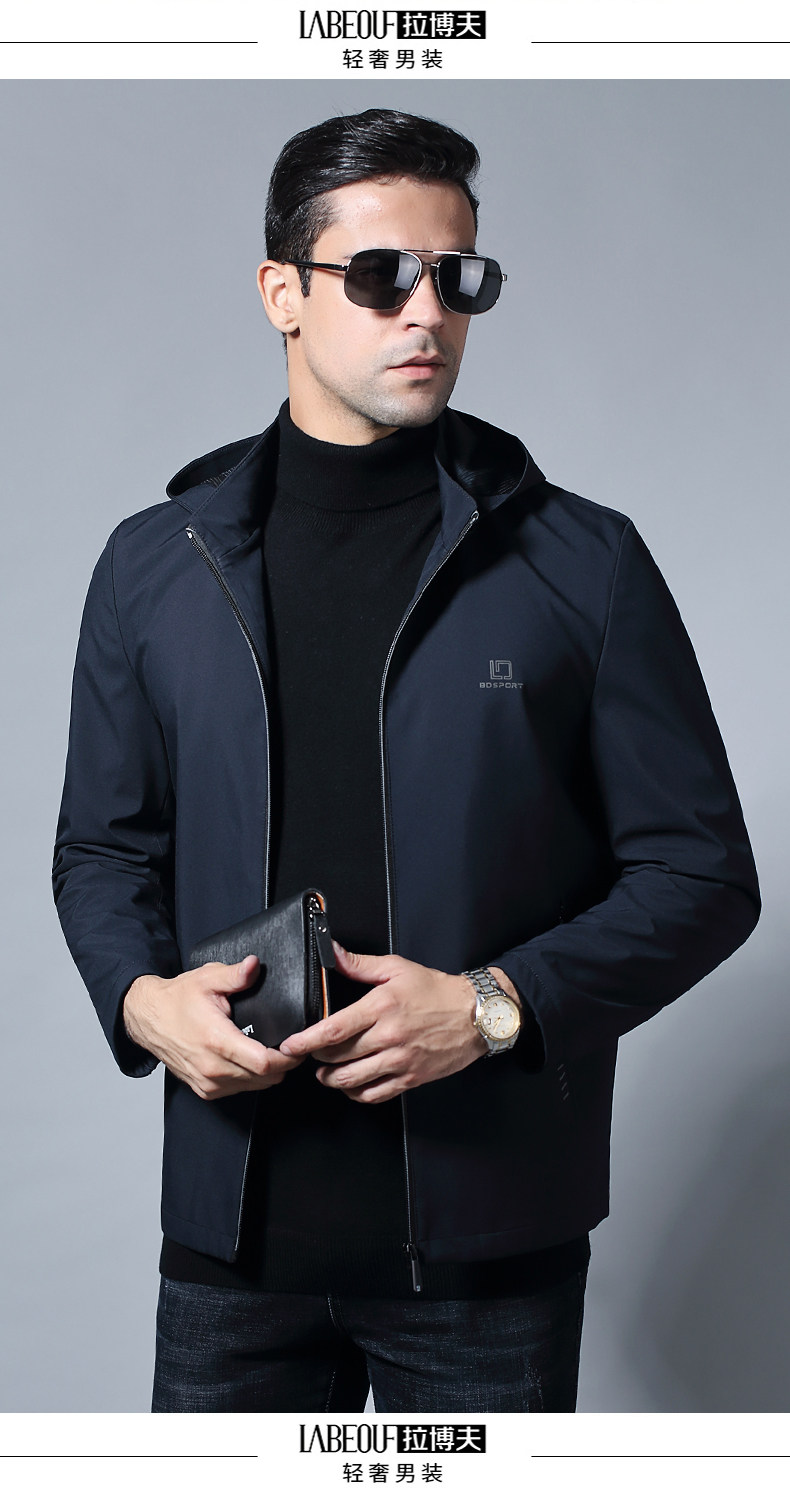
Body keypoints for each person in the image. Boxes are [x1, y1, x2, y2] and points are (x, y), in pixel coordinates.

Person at [53, 107, 760, 1414]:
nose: (427, 311)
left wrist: (494, 1004)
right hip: (228, 1250)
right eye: (381, 275)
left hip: (489, 1257)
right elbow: (103, 848)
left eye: (457, 275)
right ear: (282, 291)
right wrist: (139, 1001)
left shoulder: (584, 564)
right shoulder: (155, 565)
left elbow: (702, 875)